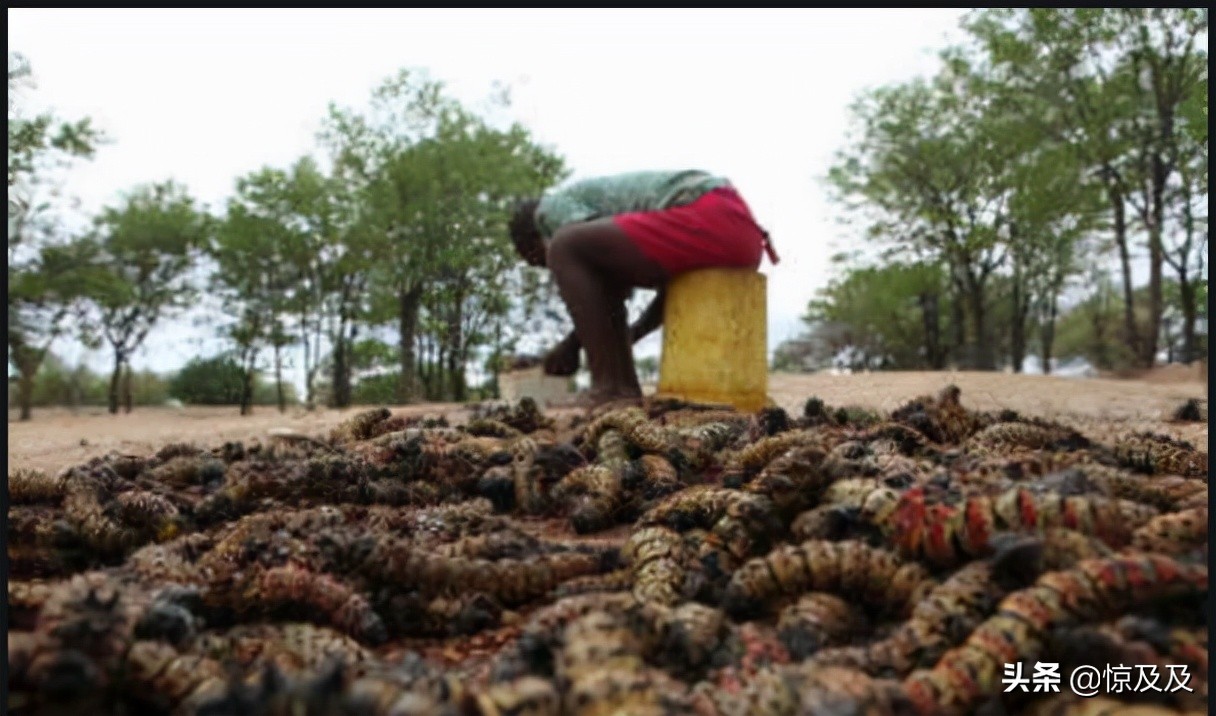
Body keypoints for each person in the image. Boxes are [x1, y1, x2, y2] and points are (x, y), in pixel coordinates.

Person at [508, 169, 779, 409]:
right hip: (742, 235)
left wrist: (570, 346)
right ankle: (621, 390)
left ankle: (613, 388)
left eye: (538, 260)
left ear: (533, 240)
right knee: (575, 251)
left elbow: (598, 275)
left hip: (709, 216)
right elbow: (635, 290)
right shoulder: (635, 232)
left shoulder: (549, 211)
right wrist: (633, 332)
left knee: (565, 246)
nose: (548, 268)